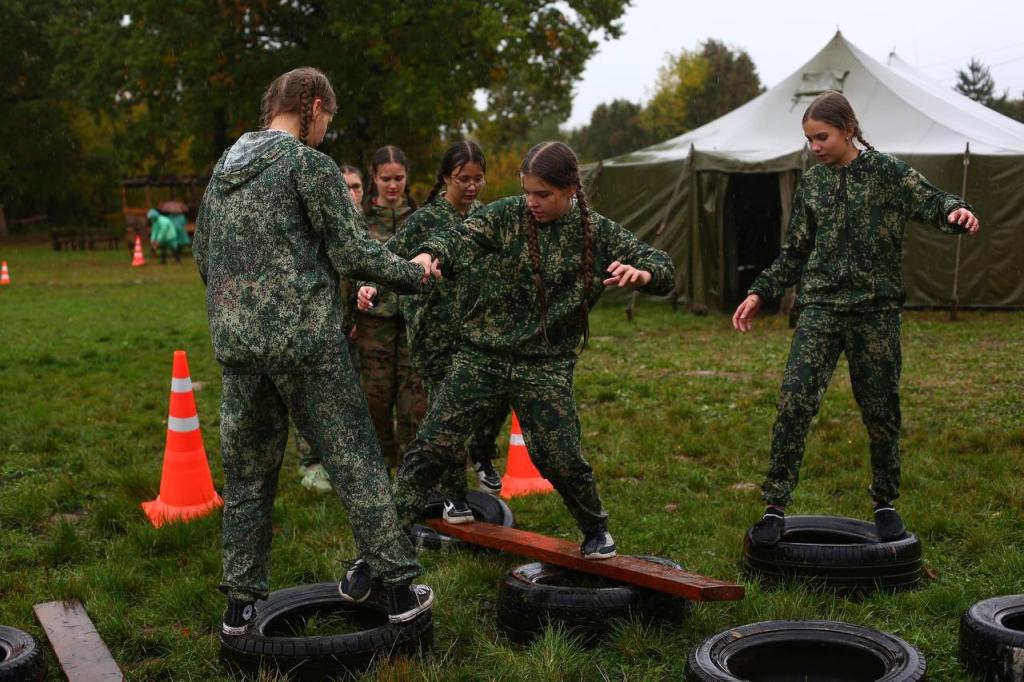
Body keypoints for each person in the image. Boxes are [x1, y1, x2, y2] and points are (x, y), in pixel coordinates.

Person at [193, 67, 434, 635]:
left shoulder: (224, 169)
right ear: (314, 104)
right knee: (355, 460)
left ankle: (240, 607)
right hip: (306, 345)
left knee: (248, 476)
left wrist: (244, 310)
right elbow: (352, 252)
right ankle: (399, 589)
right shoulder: (308, 165)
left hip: (238, 346)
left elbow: (204, 254)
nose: (327, 128)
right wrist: (416, 273)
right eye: (328, 117)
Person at [389, 140, 674, 559]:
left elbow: (660, 264)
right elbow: (459, 238)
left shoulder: (596, 232)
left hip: (544, 364)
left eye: (544, 194)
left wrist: (644, 273)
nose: (533, 202)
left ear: (571, 188)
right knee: (431, 445)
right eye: (527, 192)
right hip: (481, 356)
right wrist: (431, 254)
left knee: (559, 458)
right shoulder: (506, 216)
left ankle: (596, 528)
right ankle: (381, 543)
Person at [733, 91, 980, 547]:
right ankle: (774, 507)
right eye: (808, 140)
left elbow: (933, 200)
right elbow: (794, 253)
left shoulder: (887, 173)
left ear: (848, 129)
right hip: (821, 311)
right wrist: (759, 292)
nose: (815, 147)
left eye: (821, 137)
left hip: (875, 313)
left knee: (881, 410)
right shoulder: (814, 184)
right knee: (794, 403)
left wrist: (955, 212)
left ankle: (885, 502)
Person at [358, 141, 507, 517]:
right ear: (445, 179)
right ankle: (454, 495)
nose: (471, 187)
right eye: (463, 179)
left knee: (492, 399)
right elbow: (391, 256)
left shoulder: (487, 218)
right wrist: (372, 287)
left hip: (478, 332)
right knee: (443, 417)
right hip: (435, 335)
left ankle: (483, 451)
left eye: (478, 179)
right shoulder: (425, 220)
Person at [355, 145, 427, 475]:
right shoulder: (361, 221)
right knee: (375, 400)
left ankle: (412, 469)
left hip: (415, 321)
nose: (393, 185)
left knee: (414, 400)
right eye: (386, 179)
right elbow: (349, 267)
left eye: (398, 178)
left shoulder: (422, 220)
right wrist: (354, 298)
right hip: (374, 323)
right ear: (374, 178)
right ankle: (380, 466)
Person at [294, 163, 366, 494]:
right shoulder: (317, 227)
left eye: (356, 186)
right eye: (345, 186)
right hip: (318, 327)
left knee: (351, 398)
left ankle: (344, 461)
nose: (351, 193)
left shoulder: (362, 227)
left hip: (354, 328)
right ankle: (311, 462)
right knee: (313, 397)